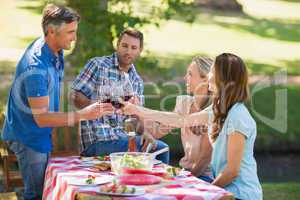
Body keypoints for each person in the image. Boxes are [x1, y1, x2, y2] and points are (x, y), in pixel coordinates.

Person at [1, 4, 114, 200]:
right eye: (70, 32)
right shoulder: (35, 67)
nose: (75, 38)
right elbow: (42, 119)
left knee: (47, 189)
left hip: (40, 133)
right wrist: (83, 115)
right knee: (36, 194)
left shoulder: (55, 50)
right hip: (28, 137)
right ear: (51, 31)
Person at [120, 53, 263, 200]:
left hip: (241, 194)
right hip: (225, 192)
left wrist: (208, 192)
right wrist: (136, 110)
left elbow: (232, 171)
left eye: (213, 72)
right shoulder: (218, 108)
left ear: (224, 78)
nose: (209, 76)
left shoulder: (237, 116)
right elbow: (180, 120)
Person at [71, 28, 169, 164]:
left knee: (160, 149)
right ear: (117, 45)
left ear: (139, 51)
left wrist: (145, 132)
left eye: (133, 48)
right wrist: (95, 106)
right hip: (97, 141)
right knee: (143, 151)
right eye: (125, 46)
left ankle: (147, 184)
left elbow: (135, 117)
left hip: (123, 139)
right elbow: (76, 96)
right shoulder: (98, 65)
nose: (128, 51)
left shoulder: (136, 81)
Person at [142, 56, 213, 182]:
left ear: (206, 80)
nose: (185, 78)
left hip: (206, 177)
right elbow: (157, 132)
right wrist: (138, 112)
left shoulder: (213, 112)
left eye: (190, 74)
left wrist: (182, 181)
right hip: (185, 171)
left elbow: (203, 160)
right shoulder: (184, 103)